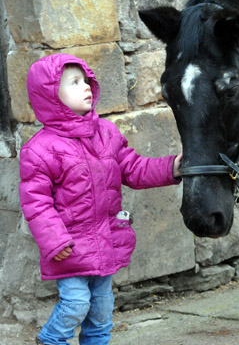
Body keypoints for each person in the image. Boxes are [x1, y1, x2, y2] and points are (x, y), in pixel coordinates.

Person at [19, 53, 182, 345]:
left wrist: (171, 167)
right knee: (76, 304)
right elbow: (37, 203)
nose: (85, 87)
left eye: (85, 80)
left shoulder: (106, 133)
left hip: (105, 240)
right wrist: (55, 242)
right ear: (50, 95)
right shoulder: (40, 149)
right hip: (68, 247)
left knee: (102, 308)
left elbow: (134, 169)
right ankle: (51, 340)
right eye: (74, 82)